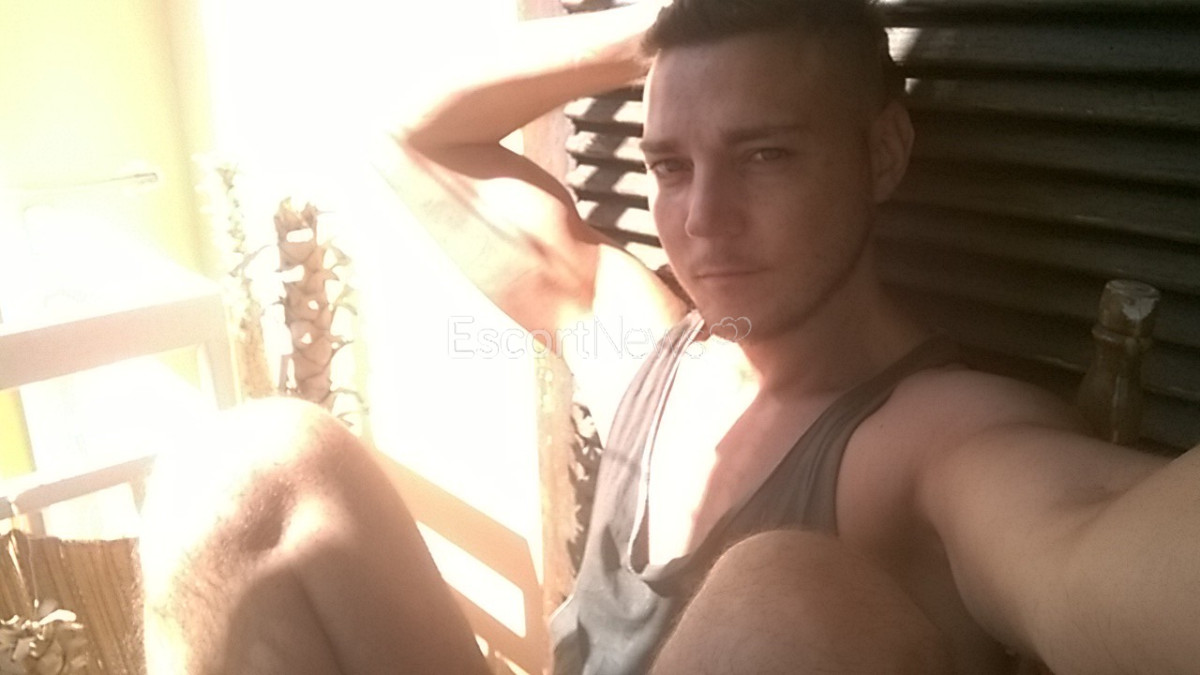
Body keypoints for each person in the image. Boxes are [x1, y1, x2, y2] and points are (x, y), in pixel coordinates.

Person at [140, 1, 1200, 673]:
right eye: (672, 164)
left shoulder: (940, 440)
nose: (702, 220)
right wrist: (663, 24)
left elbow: (1091, 549)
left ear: (882, 154)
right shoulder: (641, 346)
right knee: (252, 470)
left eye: (765, 154)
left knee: (781, 596)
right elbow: (405, 134)